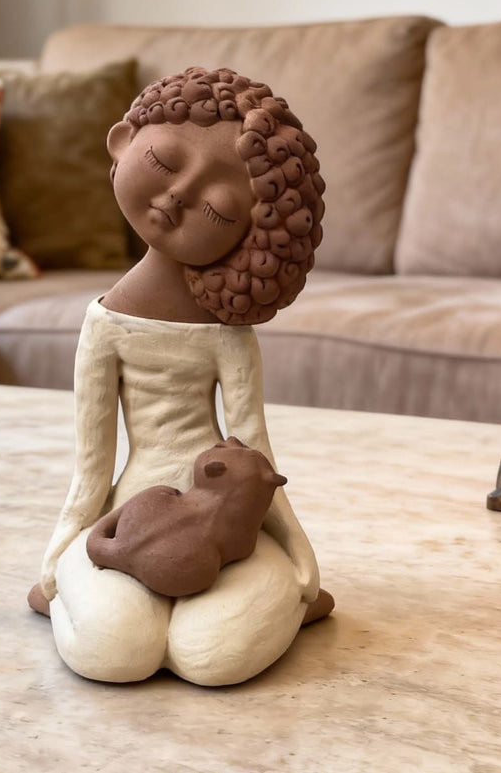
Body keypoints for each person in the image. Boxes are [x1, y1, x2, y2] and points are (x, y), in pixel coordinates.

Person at [31, 66, 331, 686]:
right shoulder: (106, 322)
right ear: (122, 140)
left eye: (219, 211)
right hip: (130, 511)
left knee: (213, 656)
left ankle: (242, 619)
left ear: (250, 239)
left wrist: (301, 559)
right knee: (116, 652)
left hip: (226, 514)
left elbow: (252, 447)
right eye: (166, 164)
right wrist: (61, 552)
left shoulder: (228, 332)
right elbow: (94, 462)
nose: (175, 198)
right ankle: (98, 612)